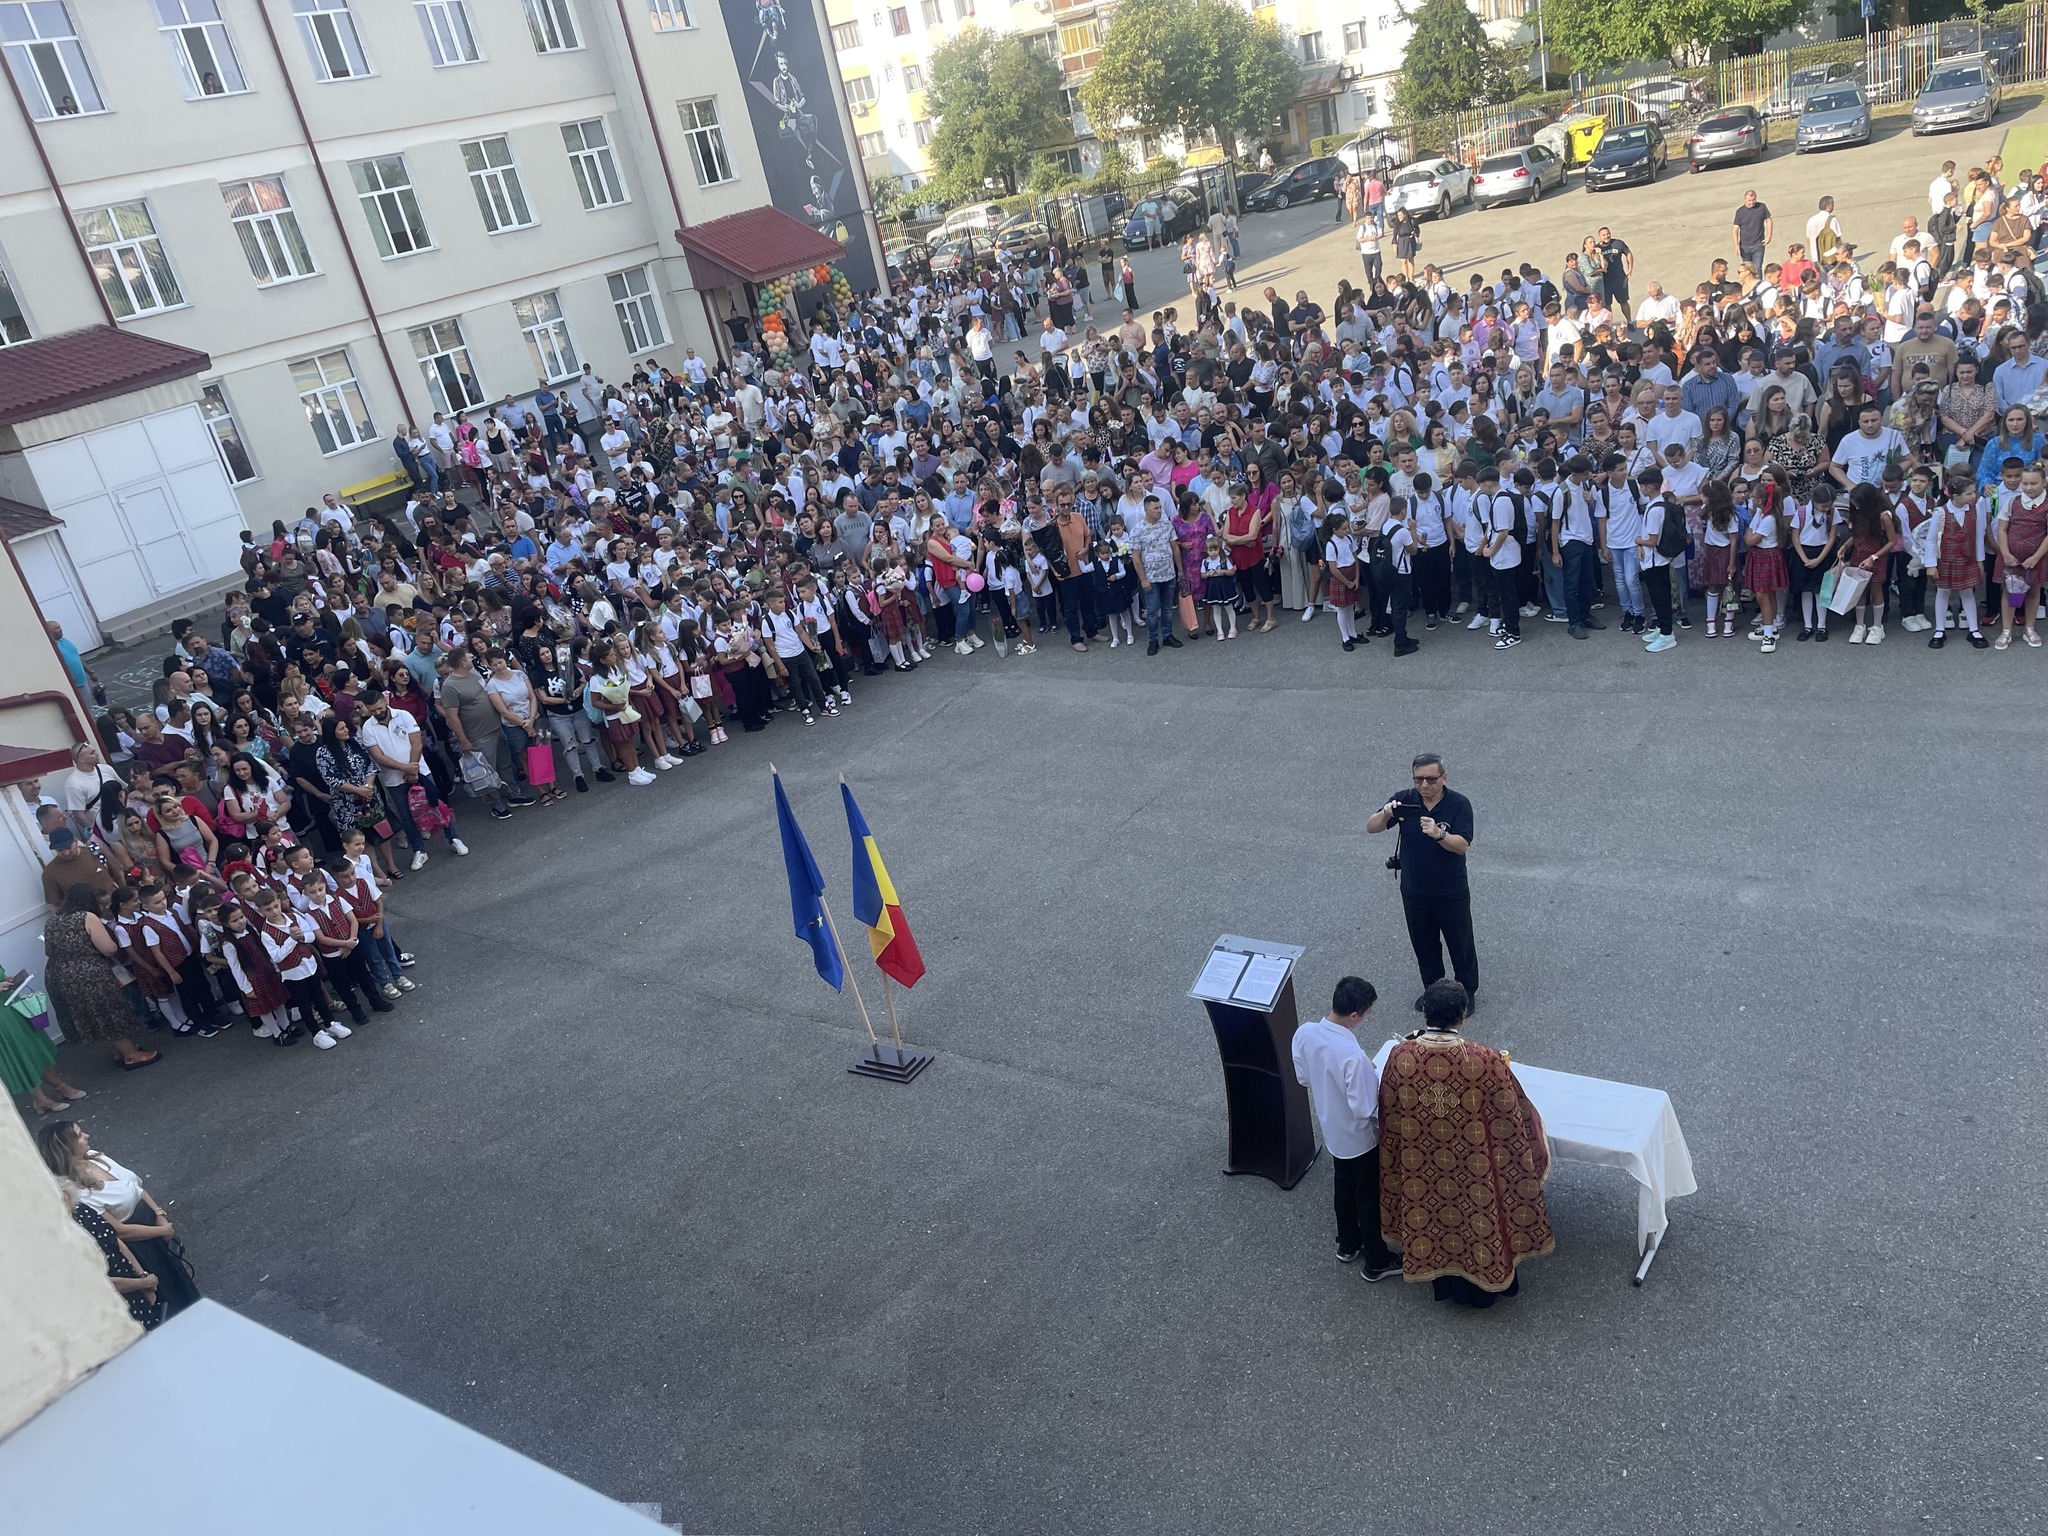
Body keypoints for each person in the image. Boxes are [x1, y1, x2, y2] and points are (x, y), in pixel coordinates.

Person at [1376, 980, 1554, 1308]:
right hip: (1475, 1167)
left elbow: (1390, 1113)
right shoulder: (1483, 1059)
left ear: (1425, 1012)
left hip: (1423, 1166)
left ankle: (1446, 1284)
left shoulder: (1401, 1056)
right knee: (1478, 1219)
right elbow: (1512, 1115)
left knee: (1433, 1215)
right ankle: (1484, 1287)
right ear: (1462, 1016)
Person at [1291, 975, 1400, 1282]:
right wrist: (1372, 1077)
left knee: (1343, 1186)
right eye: (1367, 1013)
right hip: (1359, 1138)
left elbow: (1303, 1077)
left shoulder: (1305, 1033)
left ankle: (1348, 1243)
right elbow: (1365, 1108)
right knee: (1368, 1196)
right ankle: (1377, 1260)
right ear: (1354, 1015)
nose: (1367, 1017)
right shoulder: (1353, 1058)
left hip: (1332, 1127)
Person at [38, 1120, 201, 1320]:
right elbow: (120, 1230)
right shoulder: (78, 1192)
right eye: (79, 1136)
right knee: (171, 1295)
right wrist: (162, 1231)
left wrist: (160, 1215)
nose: (87, 1136)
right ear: (65, 1148)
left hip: (154, 1224)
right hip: (142, 1246)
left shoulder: (96, 1158)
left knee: (182, 1283)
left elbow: (136, 1187)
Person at [1365, 753, 1477, 1007]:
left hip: (1450, 890)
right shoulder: (1405, 799)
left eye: (1431, 779)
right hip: (1414, 890)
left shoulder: (1459, 804)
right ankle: (1433, 991)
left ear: (1444, 777)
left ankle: (1466, 992)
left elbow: (1462, 845)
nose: (1424, 785)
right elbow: (1371, 827)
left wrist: (1439, 834)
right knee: (1424, 945)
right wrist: (1386, 814)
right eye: (1418, 779)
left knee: (1460, 944)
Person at [44, 885, 159, 1069]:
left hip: (58, 975)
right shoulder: (87, 917)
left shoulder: (53, 921)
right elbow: (108, 948)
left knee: (92, 1016)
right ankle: (131, 1055)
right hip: (87, 973)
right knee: (108, 1012)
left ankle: (119, 1051)